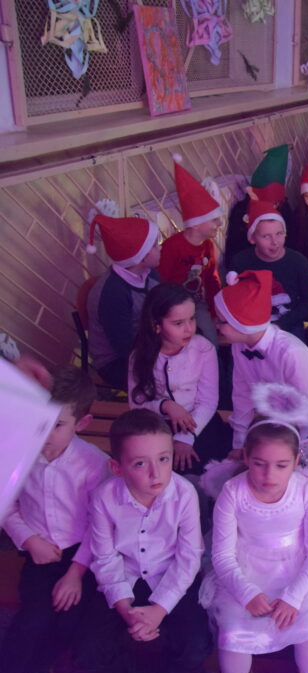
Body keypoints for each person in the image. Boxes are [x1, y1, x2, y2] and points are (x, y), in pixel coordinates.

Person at [78, 409, 210, 673]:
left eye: (163, 459)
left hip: (170, 575)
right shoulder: (104, 497)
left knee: (196, 646)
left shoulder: (184, 494)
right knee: (89, 650)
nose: (156, 473)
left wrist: (159, 609)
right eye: (140, 463)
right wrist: (125, 609)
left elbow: (189, 557)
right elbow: (104, 557)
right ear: (117, 468)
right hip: (123, 576)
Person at [0, 367, 109, 673]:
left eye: (57, 424)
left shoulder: (93, 464)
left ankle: (37, 672)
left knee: (67, 622)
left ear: (81, 424)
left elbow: (100, 523)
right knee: (32, 619)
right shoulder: (18, 454)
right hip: (37, 551)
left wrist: (75, 574)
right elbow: (8, 505)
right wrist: (29, 540)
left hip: (81, 556)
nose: (45, 432)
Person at [206, 420, 308, 673]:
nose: (269, 475)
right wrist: (246, 593)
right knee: (234, 635)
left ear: (296, 461)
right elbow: (222, 556)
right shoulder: (233, 492)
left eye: (281, 465)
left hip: (298, 572)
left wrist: (293, 597)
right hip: (245, 572)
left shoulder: (307, 490)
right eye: (259, 464)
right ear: (246, 457)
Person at [213, 270, 308, 456]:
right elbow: (242, 397)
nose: (217, 327)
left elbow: (302, 410)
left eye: (222, 322)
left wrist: (286, 452)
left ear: (242, 323)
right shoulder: (239, 346)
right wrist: (239, 445)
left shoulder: (291, 352)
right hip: (273, 427)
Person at [128, 284, 228, 475]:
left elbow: (208, 401)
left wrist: (185, 438)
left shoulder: (203, 349)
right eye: (178, 323)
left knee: (208, 469)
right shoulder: (140, 355)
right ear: (156, 325)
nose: (189, 329)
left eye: (192, 319)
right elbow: (136, 404)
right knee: (157, 469)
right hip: (156, 425)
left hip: (198, 421)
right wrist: (165, 406)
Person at [84, 210, 162, 389]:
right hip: (118, 362)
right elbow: (126, 347)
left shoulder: (151, 275)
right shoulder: (113, 293)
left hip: (150, 345)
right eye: (155, 245)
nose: (160, 248)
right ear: (142, 256)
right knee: (177, 375)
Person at [158, 155, 223, 342]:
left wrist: (215, 312)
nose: (219, 224)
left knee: (211, 341)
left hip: (197, 302)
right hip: (172, 305)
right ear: (195, 224)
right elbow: (161, 281)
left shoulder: (208, 245)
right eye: (213, 220)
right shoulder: (172, 247)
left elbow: (212, 280)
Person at [230, 200, 308, 339]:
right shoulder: (241, 261)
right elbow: (234, 301)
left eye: (279, 234)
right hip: (251, 325)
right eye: (266, 236)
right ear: (252, 238)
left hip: (288, 324)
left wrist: (281, 324)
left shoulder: (298, 261)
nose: (274, 242)